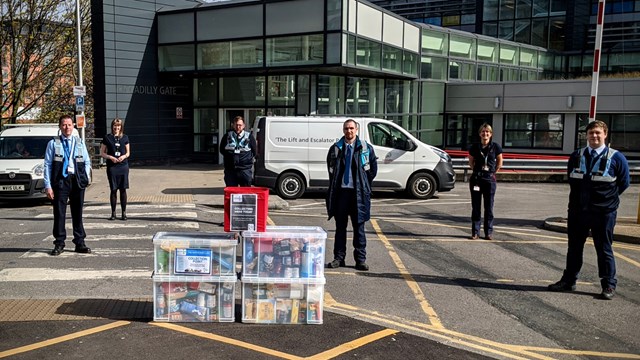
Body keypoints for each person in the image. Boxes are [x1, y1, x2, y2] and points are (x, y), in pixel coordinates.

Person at [548, 120, 630, 300]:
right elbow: (572, 180)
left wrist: (606, 200)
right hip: (578, 211)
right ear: (586, 135)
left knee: (604, 249)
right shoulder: (576, 156)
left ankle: (608, 285)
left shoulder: (617, 158)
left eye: (598, 133)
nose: (594, 136)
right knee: (574, 248)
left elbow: (624, 183)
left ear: (605, 135)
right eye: (591, 133)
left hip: (603, 213)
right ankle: (569, 281)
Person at [325, 119, 378, 271]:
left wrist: (363, 184)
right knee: (340, 228)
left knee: (359, 228)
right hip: (341, 194)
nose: (349, 131)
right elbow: (331, 169)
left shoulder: (366, 149)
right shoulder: (336, 148)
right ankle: (339, 258)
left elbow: (372, 170)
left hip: (358, 194)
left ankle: (360, 260)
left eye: (351, 128)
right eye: (346, 128)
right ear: (343, 130)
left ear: (356, 130)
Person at [44, 115, 92, 256]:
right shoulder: (53, 143)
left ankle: (80, 242)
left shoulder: (79, 142)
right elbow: (47, 165)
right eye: (64, 125)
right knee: (59, 213)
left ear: (73, 126)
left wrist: (86, 177)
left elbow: (87, 161)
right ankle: (59, 243)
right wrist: (48, 185)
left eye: (70, 125)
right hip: (60, 181)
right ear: (60, 127)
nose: (67, 128)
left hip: (76, 180)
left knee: (78, 212)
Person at [468, 123, 503, 240]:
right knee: (476, 207)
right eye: (483, 132)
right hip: (477, 180)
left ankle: (488, 232)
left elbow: (499, 163)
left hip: (489, 180)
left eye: (487, 132)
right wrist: (478, 172)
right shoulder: (474, 147)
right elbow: (471, 163)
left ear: (491, 134)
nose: (485, 134)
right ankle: (475, 232)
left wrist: (492, 173)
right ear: (479, 134)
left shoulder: (495, 147)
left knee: (489, 207)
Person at [100, 118, 131, 220]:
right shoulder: (107, 138)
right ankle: (113, 213)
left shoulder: (125, 137)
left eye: (118, 126)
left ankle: (124, 213)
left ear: (121, 127)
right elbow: (102, 153)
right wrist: (110, 157)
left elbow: (128, 152)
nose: (116, 127)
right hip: (112, 167)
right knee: (113, 189)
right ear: (112, 126)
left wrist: (123, 157)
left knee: (123, 189)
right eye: (115, 125)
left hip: (123, 166)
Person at [220, 116, 257, 186]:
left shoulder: (249, 137)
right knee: (231, 193)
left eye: (240, 125)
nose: (238, 127)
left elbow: (254, 152)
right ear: (233, 125)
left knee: (245, 193)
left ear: (243, 126)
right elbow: (222, 150)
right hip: (230, 170)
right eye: (236, 125)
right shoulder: (227, 136)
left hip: (245, 170)